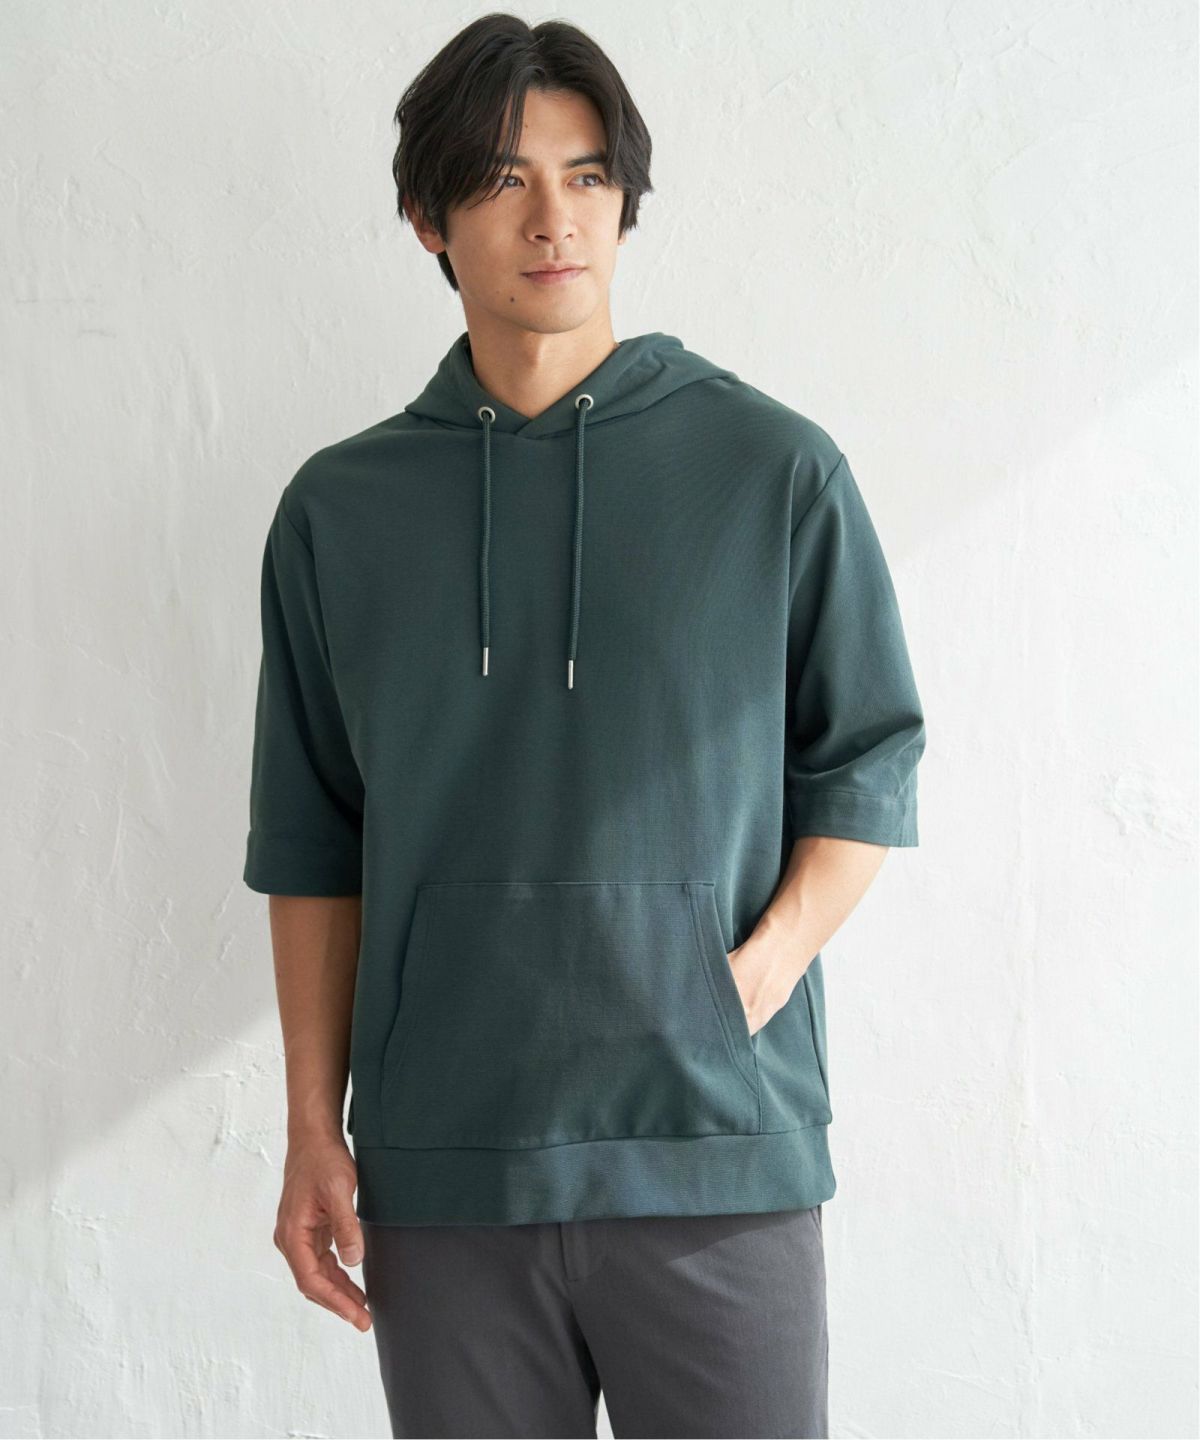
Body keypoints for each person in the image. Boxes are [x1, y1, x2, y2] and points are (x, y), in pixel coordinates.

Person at [242, 13, 926, 1439]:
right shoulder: (338, 514)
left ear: (626, 203)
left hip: (714, 1158)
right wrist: (314, 1126)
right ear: (428, 217)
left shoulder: (773, 470)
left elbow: (867, 758)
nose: (555, 217)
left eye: (590, 175)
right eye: (504, 179)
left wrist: (746, 983)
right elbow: (313, 839)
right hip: (446, 1171)